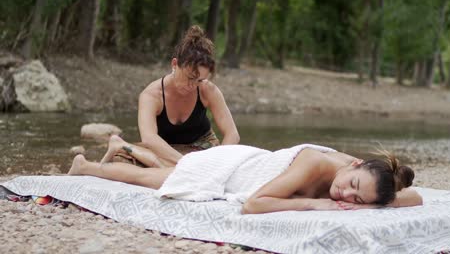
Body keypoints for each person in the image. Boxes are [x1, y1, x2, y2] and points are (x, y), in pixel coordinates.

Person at [69, 144, 423, 214]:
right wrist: (317, 203)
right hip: (232, 168)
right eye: (353, 185)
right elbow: (254, 204)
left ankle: (122, 145)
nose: (345, 193)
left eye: (357, 199)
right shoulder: (317, 163)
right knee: (157, 180)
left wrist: (372, 202)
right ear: (354, 163)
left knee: (166, 171)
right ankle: (87, 167)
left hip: (248, 164)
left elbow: (415, 198)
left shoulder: (375, 183)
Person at [101, 25, 239, 168]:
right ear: (174, 64)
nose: (193, 85)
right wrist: (186, 164)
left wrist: (220, 162)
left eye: (199, 80)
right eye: (190, 77)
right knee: (120, 161)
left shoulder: (207, 89)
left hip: (201, 150)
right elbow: (149, 138)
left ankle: (170, 167)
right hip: (164, 151)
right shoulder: (152, 96)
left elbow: (232, 134)